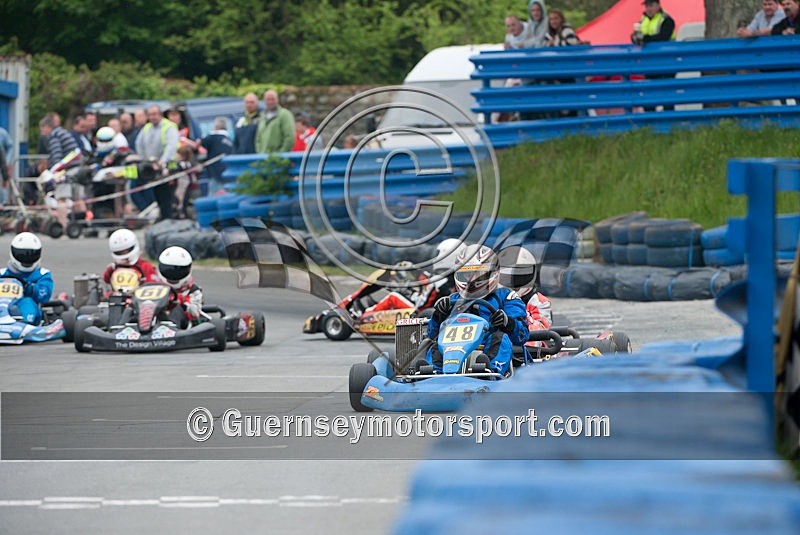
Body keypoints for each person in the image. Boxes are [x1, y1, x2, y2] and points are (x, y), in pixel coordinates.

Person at [424, 244, 528, 376]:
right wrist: (438, 316)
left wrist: (507, 322)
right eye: (467, 275)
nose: (471, 280)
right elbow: (431, 334)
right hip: (454, 349)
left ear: (492, 273)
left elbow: (522, 335)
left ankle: (491, 371)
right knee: (437, 342)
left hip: (488, 347)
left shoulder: (507, 296)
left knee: (500, 337)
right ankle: (433, 374)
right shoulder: (452, 300)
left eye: (477, 274)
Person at [135, 105, 179, 220]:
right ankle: (163, 220)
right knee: (158, 197)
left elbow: (171, 146)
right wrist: (145, 161)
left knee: (167, 199)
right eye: (150, 115)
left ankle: (169, 220)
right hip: (153, 169)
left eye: (154, 114)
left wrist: (162, 162)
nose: (152, 117)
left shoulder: (169, 127)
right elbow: (139, 144)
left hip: (168, 169)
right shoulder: (147, 128)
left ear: (160, 114)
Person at [0, 233, 53, 325]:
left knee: (27, 302)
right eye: (22, 255)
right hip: (3, 305)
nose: (27, 258)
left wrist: (30, 288)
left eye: (32, 255)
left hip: (26, 309)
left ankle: (24, 324)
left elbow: (44, 296)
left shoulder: (42, 274)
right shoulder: (2, 273)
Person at [497, 246, 552, 332]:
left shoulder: (539, 301)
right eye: (509, 275)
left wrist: (521, 317)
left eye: (519, 276)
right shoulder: (494, 298)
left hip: (527, 338)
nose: (514, 280)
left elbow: (542, 329)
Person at [158, 246, 203, 326]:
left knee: (176, 308)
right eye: (169, 270)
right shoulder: (156, 287)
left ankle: (170, 327)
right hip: (156, 319)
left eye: (178, 271)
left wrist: (182, 304)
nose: (173, 275)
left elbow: (195, 313)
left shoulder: (193, 290)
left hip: (181, 324)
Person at [200, 117, 234, 196]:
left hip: (215, 174)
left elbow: (201, 145)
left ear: (216, 127)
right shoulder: (229, 140)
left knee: (213, 197)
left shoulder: (213, 137)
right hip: (228, 173)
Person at [255, 90, 295, 154]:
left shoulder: (285, 114)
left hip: (279, 158)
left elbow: (290, 137)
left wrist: (280, 154)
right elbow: (258, 138)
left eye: (273, 99)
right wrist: (260, 152)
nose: (270, 102)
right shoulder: (262, 116)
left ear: (277, 100)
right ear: (264, 101)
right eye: (268, 99)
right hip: (262, 157)